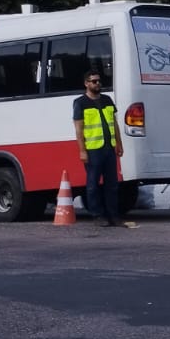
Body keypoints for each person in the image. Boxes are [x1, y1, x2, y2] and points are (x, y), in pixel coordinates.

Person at [72, 71, 126, 227]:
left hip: (109, 148)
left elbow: (114, 124)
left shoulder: (107, 100)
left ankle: (113, 216)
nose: (97, 84)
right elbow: (79, 130)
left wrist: (119, 144)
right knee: (93, 184)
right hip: (93, 149)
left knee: (112, 184)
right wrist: (82, 151)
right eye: (94, 81)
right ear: (86, 84)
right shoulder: (80, 103)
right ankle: (97, 215)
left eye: (98, 81)